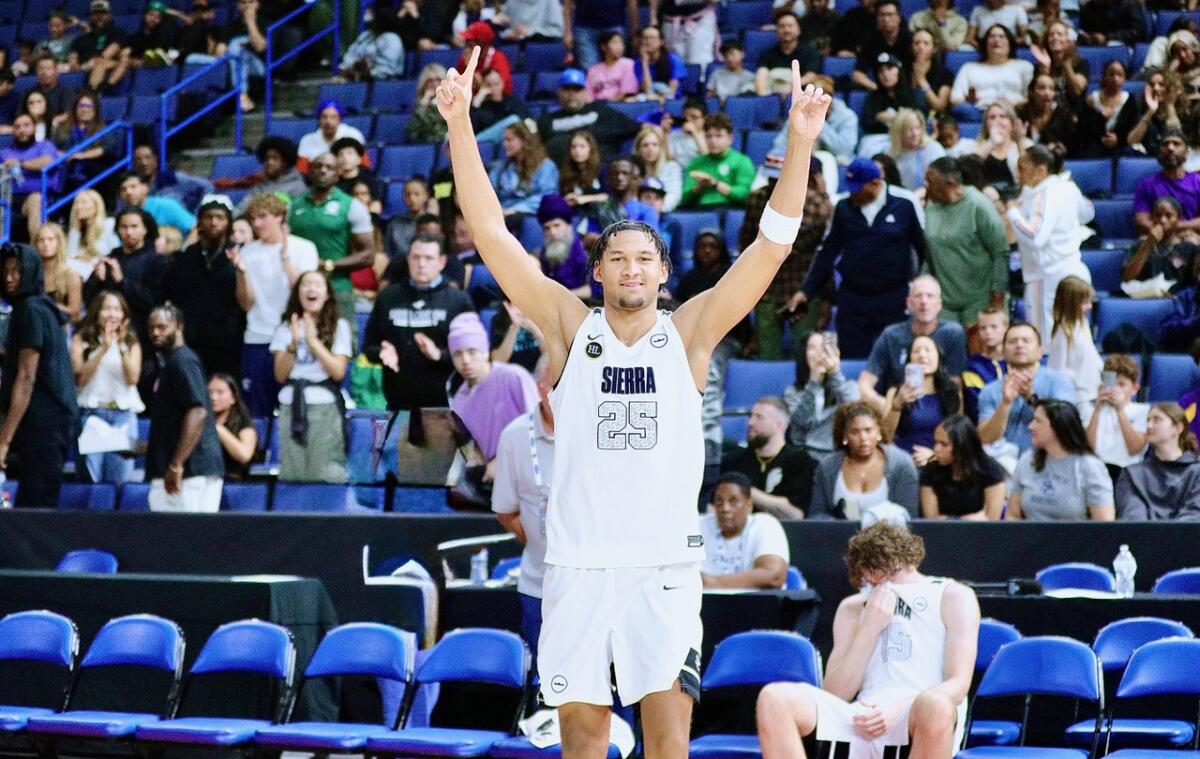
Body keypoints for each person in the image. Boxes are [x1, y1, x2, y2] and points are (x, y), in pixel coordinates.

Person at [438, 45, 830, 759]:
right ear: (596, 271)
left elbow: (770, 250)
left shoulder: (689, 332)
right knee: (582, 741)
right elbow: (492, 235)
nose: (630, 266)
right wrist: (462, 128)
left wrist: (800, 143)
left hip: (663, 568)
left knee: (667, 741)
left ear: (663, 271)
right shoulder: (567, 323)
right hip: (578, 563)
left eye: (644, 257)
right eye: (617, 256)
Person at [756, 522, 980, 759]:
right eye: (872, 580)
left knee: (936, 706)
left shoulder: (953, 595)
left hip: (914, 714)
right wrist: (869, 629)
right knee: (774, 698)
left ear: (910, 561)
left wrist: (898, 708)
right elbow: (836, 693)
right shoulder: (852, 607)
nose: (883, 585)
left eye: (892, 574)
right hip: (861, 717)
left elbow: (958, 685)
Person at [795, 158, 926, 359]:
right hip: (853, 300)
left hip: (892, 298)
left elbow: (922, 249)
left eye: (858, 188)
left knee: (894, 361)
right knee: (850, 359)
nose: (852, 194)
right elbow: (828, 251)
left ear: (875, 183)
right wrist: (806, 290)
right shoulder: (844, 209)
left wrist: (921, 284)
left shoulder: (904, 207)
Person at [0, 244, 78, 508]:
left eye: (17, 271)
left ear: (31, 272)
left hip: (45, 423)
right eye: (6, 271)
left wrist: (4, 440)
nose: (10, 278)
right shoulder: (38, 307)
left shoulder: (31, 310)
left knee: (36, 507)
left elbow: (26, 378)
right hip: (47, 422)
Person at [362, 233, 475, 411]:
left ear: (442, 262)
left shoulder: (458, 301)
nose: (421, 264)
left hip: (445, 405)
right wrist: (382, 353)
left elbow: (475, 353)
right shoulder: (388, 297)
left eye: (429, 258)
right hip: (398, 404)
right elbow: (368, 346)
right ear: (408, 259)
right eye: (416, 257)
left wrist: (439, 354)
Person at [492, 355, 556, 664]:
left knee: (605, 686)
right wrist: (537, 537)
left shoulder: (598, 432)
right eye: (555, 385)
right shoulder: (515, 436)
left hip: (594, 590)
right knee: (546, 682)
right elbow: (505, 511)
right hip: (539, 586)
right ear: (539, 387)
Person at [238, 193, 320, 416]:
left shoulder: (304, 248)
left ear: (280, 217)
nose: (256, 224)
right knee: (256, 410)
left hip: (293, 336)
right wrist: (241, 272)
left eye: (263, 217)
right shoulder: (247, 252)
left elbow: (306, 296)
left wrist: (285, 258)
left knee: (295, 408)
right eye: (253, 218)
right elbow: (246, 304)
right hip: (257, 336)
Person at [746, 156, 832, 359]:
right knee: (767, 353)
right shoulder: (757, 199)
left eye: (778, 178)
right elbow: (746, 241)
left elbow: (819, 249)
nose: (773, 183)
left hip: (802, 286)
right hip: (765, 286)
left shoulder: (814, 202)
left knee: (805, 352)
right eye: (771, 178)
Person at [271, 271, 351, 483]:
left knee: (324, 470)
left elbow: (338, 371)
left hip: (324, 405)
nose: (311, 289)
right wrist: (294, 344)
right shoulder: (286, 327)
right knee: (293, 471)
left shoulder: (338, 326)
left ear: (327, 294)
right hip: (291, 403)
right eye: (305, 284)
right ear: (298, 293)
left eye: (317, 285)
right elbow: (280, 375)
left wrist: (313, 342)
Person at [287, 152, 376, 344]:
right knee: (298, 341)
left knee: (342, 343)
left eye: (329, 167)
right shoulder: (294, 207)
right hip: (300, 288)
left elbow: (368, 255)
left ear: (338, 174)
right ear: (309, 171)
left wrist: (329, 265)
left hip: (338, 287)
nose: (323, 171)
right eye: (318, 166)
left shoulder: (352, 206)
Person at [1006, 144, 1093, 339]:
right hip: (1073, 271)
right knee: (1076, 339)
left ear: (1040, 170)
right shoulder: (1069, 186)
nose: (1018, 174)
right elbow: (1088, 213)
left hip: (1047, 278)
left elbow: (1035, 237)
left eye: (1022, 168)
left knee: (1045, 343)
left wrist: (1013, 212)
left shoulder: (1043, 194)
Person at [145, 303, 224, 512]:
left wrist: (176, 464)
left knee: (178, 540)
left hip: (188, 473)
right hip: (193, 469)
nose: (155, 333)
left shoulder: (182, 361)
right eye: (151, 328)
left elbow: (197, 412)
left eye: (162, 327)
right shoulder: (177, 361)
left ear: (179, 326)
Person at [83, 208, 168, 397]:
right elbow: (89, 301)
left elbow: (155, 301)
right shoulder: (111, 258)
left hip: (142, 341)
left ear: (145, 229)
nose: (129, 232)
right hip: (105, 340)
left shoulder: (157, 261)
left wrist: (123, 282)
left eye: (134, 226)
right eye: (124, 227)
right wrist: (98, 280)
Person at [448, 312, 539, 486]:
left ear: (485, 351)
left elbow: (538, 427)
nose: (465, 360)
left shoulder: (513, 377)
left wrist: (502, 461)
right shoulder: (460, 398)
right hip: (496, 483)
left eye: (472, 352)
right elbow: (476, 448)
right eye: (458, 354)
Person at [856, 276, 968, 416]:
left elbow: (955, 388)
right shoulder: (891, 335)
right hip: (896, 413)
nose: (924, 301)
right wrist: (890, 408)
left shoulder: (953, 334)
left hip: (938, 415)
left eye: (930, 296)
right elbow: (863, 385)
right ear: (909, 303)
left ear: (940, 304)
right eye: (918, 296)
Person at [161, 195, 242, 378]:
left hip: (227, 343)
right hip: (191, 341)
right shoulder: (186, 256)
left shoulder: (238, 255)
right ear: (199, 221)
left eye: (220, 218)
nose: (214, 222)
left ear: (229, 223)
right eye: (208, 217)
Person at [923, 157, 1008, 325]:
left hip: (979, 300)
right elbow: (929, 252)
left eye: (931, 182)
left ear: (951, 183)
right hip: (944, 302)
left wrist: (998, 294)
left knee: (978, 350)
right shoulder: (931, 207)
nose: (926, 186)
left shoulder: (979, 205)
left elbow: (1000, 252)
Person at [71, 289, 143, 484]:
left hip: (123, 415)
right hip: (93, 415)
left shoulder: (131, 341)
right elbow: (80, 378)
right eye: (106, 309)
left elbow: (133, 378)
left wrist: (119, 346)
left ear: (124, 315)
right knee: (91, 478)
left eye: (117, 309)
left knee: (120, 478)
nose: (112, 314)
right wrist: (103, 348)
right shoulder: (81, 339)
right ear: (96, 313)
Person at [1003, 399, 1115, 520]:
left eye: (1038, 421)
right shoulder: (1027, 460)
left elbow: (1104, 523)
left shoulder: (1090, 466)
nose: (1030, 426)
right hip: (1031, 537)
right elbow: (1012, 515)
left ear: (1058, 427)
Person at [809, 401, 921, 518]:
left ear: (878, 432)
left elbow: (909, 517)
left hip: (889, 535)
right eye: (855, 432)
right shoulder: (828, 466)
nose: (863, 438)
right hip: (839, 534)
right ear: (845, 436)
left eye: (868, 430)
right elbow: (817, 515)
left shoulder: (901, 464)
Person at [978, 321, 1075, 453]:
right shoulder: (990, 390)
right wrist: (1005, 403)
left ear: (1040, 351)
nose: (1019, 345)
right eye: (1013, 341)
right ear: (1003, 353)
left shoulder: (1060, 382)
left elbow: (1066, 425)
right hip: (1002, 464)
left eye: (1026, 341)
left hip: (1046, 462)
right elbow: (985, 439)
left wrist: (1032, 398)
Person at [719, 396, 816, 520]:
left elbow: (795, 514)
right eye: (751, 416)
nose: (750, 423)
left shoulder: (799, 461)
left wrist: (743, 490)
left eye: (759, 417)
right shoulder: (734, 460)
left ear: (779, 425)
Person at [699, 472, 790, 590]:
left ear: (749, 505)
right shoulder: (699, 525)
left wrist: (713, 582)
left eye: (733, 502)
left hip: (753, 605)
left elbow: (774, 576)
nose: (725, 508)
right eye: (719, 501)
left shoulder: (764, 525)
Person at [881, 335, 962, 461]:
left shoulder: (952, 393)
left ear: (938, 357)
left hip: (941, 462)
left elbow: (960, 436)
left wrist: (934, 455)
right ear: (909, 359)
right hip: (904, 461)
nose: (922, 355)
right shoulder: (895, 393)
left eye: (928, 350)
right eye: (916, 351)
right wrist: (897, 406)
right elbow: (885, 436)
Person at [1117, 401, 1200, 520]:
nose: (1149, 426)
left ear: (1178, 427)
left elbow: (1194, 515)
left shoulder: (1197, 471)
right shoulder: (1131, 474)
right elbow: (1133, 515)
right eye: (1148, 420)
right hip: (1143, 538)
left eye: (1157, 420)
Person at [786, 332, 861, 456]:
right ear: (803, 355)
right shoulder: (793, 392)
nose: (820, 354)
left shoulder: (849, 387)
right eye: (813, 348)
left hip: (840, 457)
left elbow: (855, 415)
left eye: (825, 348)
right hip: (804, 457)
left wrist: (835, 374)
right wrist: (814, 381)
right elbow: (805, 423)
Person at [920, 414, 1007, 519]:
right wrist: (966, 520)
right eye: (936, 442)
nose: (936, 449)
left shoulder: (991, 470)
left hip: (980, 534)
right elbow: (932, 520)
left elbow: (992, 519)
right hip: (942, 533)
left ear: (962, 446)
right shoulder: (931, 471)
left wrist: (949, 519)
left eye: (944, 444)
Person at [1083, 354, 1148, 484]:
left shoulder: (1143, 411)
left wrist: (1119, 410)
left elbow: (1134, 448)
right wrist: (1097, 411)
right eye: (1111, 383)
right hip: (1095, 472)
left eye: (1122, 384)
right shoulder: (1090, 409)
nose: (1115, 389)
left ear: (1134, 389)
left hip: (1127, 474)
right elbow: (1087, 448)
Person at [949, 25, 1034, 120]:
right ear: (985, 43)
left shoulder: (1024, 66)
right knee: (963, 109)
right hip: (980, 112)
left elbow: (1031, 97)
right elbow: (954, 99)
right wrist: (968, 101)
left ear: (1010, 43)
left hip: (1014, 111)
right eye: (992, 36)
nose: (996, 40)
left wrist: (1013, 103)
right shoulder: (969, 67)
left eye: (1002, 36)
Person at [0, 112, 57, 243]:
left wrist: (20, 164)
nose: (22, 130)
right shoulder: (4, 152)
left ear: (35, 128)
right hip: (7, 196)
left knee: (36, 201)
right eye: (17, 127)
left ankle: (37, 252)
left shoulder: (44, 146)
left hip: (34, 196)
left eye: (26, 125)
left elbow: (47, 161)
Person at [1132, 128, 1200, 236]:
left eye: (1176, 144)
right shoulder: (1146, 184)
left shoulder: (1198, 182)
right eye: (1165, 144)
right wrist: (1163, 232)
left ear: (1186, 152)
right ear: (1159, 152)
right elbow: (1141, 220)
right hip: (1157, 239)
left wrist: (1175, 227)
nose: (1170, 147)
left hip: (1191, 238)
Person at [1046, 275, 1102, 406]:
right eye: (1085, 303)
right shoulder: (1062, 334)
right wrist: (1078, 382)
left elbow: (1091, 355)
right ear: (1072, 304)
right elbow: (1056, 371)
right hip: (1077, 398)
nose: (1090, 307)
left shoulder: (1083, 324)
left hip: (1092, 391)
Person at [680, 113, 755, 209]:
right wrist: (699, 187)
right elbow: (684, 199)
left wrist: (715, 184)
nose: (713, 141)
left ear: (730, 138)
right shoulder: (696, 163)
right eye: (708, 136)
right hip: (702, 212)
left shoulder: (742, 161)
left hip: (730, 209)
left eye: (718, 136)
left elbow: (745, 194)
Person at [219, 137, 309, 216]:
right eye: (267, 159)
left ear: (285, 162)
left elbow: (299, 215)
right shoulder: (260, 187)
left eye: (275, 158)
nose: (269, 162)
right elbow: (241, 209)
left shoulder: (298, 187)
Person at [1124, 197, 1200, 290]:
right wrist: (1148, 244)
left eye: (1169, 215)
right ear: (1152, 218)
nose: (1162, 220)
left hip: (1176, 301)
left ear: (1179, 219)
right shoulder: (1140, 245)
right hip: (1143, 300)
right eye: (1158, 215)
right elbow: (1127, 277)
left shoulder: (1190, 248)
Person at [489, 121, 560, 218]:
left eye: (509, 140)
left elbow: (546, 196)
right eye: (504, 140)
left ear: (524, 140)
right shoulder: (500, 167)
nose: (504, 144)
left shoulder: (546, 166)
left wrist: (515, 210)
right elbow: (489, 192)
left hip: (527, 215)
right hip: (500, 213)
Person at [1116, 68, 1190, 159]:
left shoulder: (1185, 112)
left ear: (1171, 88)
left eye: (1161, 84)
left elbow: (1178, 141)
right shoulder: (1140, 109)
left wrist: (1170, 105)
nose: (1155, 88)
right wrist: (1150, 111)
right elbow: (1131, 141)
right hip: (1148, 159)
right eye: (1151, 84)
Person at [67, 0, 130, 93]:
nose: (99, 16)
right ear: (90, 16)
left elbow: (108, 53)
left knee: (101, 63)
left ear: (109, 15)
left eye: (103, 13)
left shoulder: (118, 33)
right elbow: (73, 59)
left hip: (110, 68)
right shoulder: (80, 39)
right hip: (85, 70)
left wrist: (93, 62)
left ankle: (96, 90)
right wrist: (78, 64)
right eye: (95, 13)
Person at [852, 0, 914, 93]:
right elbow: (857, 75)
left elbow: (918, 72)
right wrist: (879, 89)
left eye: (890, 15)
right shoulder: (871, 42)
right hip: (880, 95)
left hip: (907, 92)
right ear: (877, 18)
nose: (886, 19)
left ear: (899, 18)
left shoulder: (910, 40)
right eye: (882, 15)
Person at [132, 143, 212, 214]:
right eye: (139, 159)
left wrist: (195, 213)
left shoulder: (172, 178)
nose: (144, 163)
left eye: (148, 158)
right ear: (134, 164)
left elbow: (207, 186)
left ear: (155, 161)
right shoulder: (133, 187)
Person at [754, 12, 821, 96]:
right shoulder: (767, 54)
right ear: (776, 31)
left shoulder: (811, 52)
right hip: (773, 94)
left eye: (790, 26)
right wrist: (763, 95)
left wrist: (792, 86)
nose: (786, 30)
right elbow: (761, 75)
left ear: (799, 30)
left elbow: (811, 76)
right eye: (782, 26)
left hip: (802, 95)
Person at [562, 0, 639, 73]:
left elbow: (632, 3)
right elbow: (568, 3)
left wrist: (634, 31)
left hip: (614, 26)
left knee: (617, 68)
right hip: (585, 28)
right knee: (590, 70)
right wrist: (567, 31)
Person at [208, 372, 257, 482]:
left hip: (234, 482)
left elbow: (244, 455)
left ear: (233, 398)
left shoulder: (244, 424)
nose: (213, 397)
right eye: (209, 392)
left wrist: (218, 429)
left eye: (220, 392)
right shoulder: (200, 423)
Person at [962, 305, 1008, 419]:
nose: (988, 332)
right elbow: (977, 405)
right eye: (983, 328)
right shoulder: (973, 367)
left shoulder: (1016, 362)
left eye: (994, 327)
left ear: (1006, 328)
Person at [118, 172, 196, 237]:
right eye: (123, 189)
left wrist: (186, 251)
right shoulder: (123, 215)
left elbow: (195, 229)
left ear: (146, 188)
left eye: (133, 187)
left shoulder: (166, 206)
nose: (128, 192)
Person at [887, 108, 946, 192]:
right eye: (909, 129)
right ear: (899, 132)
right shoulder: (891, 153)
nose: (915, 134)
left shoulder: (933, 148)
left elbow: (941, 180)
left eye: (917, 128)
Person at [340, 4, 404, 80]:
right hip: (357, 80)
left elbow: (387, 70)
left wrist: (368, 71)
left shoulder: (392, 39)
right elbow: (350, 56)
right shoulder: (365, 36)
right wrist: (353, 65)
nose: (367, 18)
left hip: (386, 84)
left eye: (372, 15)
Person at [33, 223, 81, 323]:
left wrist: (49, 305)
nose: (45, 244)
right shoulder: (32, 274)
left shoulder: (70, 275)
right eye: (41, 240)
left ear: (59, 242)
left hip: (60, 326)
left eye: (50, 239)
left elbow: (75, 313)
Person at [66, 189, 117, 279]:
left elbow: (115, 252)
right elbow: (70, 255)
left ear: (96, 206)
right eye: (76, 203)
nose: (78, 207)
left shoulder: (109, 224)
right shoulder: (77, 231)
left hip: (104, 271)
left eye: (84, 203)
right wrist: (75, 229)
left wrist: (92, 259)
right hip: (80, 273)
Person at [635, 125, 683, 213]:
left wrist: (653, 210)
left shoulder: (672, 167)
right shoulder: (633, 169)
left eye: (655, 144)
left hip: (663, 213)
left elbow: (673, 196)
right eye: (645, 145)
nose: (650, 149)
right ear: (638, 150)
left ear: (661, 148)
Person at [633, 25, 686, 100]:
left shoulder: (674, 60)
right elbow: (647, 89)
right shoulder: (638, 62)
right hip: (649, 98)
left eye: (652, 38)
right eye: (645, 38)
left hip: (671, 100)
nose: (648, 41)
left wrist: (656, 97)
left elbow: (671, 93)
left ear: (661, 42)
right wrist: (644, 62)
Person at [586, 31, 638, 102]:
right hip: (597, 106)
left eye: (621, 43)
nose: (619, 46)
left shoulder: (628, 64)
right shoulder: (593, 70)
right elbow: (589, 94)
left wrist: (607, 104)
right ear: (603, 47)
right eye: (615, 42)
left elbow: (627, 92)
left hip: (620, 104)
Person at [1078, 0, 1148, 46]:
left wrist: (1107, 37)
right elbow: (1083, 30)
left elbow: (1137, 32)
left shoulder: (1129, 4)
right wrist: (1086, 37)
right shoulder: (1087, 8)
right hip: (1094, 46)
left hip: (1125, 46)